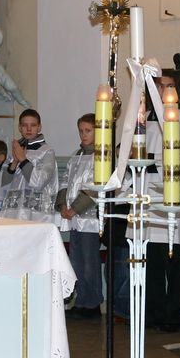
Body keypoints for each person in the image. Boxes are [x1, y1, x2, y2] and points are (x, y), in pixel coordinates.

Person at [144, 70, 180, 333]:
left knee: (173, 258)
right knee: (151, 259)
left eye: (171, 86)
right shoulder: (142, 119)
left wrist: (155, 163)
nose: (167, 91)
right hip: (147, 195)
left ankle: (175, 313)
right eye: (162, 86)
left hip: (171, 192)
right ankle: (153, 311)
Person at [57, 114, 103, 319]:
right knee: (76, 260)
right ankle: (80, 299)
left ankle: (92, 303)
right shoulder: (76, 156)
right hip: (74, 218)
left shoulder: (101, 156)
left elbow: (96, 186)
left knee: (89, 261)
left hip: (89, 218)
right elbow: (65, 181)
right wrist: (62, 204)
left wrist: (75, 208)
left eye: (88, 131)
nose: (84, 135)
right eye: (81, 131)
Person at [0, 109, 58, 225]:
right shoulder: (17, 148)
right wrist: (14, 162)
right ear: (20, 128)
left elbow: (39, 182)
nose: (29, 129)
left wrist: (22, 159)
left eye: (33, 125)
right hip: (14, 211)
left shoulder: (47, 151)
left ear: (39, 127)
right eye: (24, 125)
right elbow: (3, 184)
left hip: (36, 213)